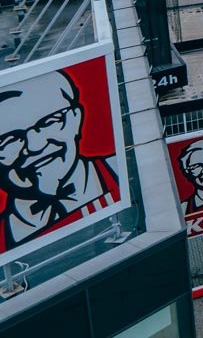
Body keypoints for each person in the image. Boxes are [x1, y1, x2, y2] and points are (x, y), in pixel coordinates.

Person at [0, 70, 120, 250]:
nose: (34, 146)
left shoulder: (118, 172)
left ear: (76, 119)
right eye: (8, 140)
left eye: (49, 122)